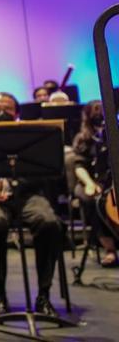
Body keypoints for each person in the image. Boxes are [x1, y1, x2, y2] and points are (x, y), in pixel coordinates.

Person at [0, 92, 63, 317]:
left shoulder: (32, 136)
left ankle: (44, 295)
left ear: (17, 113)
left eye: (7, 107)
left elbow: (42, 171)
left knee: (48, 221)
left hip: (26, 193)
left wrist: (3, 182)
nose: (0, 111)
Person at [70, 100, 116, 266]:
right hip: (89, 180)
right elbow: (79, 166)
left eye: (102, 110)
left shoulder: (114, 131)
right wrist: (90, 183)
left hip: (112, 181)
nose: (99, 114)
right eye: (95, 110)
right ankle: (109, 248)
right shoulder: (83, 137)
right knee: (93, 201)